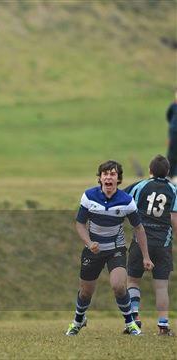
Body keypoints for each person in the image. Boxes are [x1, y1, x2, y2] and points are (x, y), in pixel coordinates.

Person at [65, 160, 154, 336]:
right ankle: (79, 320)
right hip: (93, 250)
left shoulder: (126, 201)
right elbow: (80, 223)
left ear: (118, 179)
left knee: (118, 286)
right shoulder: (89, 197)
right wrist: (90, 243)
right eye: (105, 174)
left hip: (116, 249)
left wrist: (146, 256)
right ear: (100, 178)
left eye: (112, 174)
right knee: (85, 292)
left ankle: (130, 324)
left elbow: (139, 228)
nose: (108, 177)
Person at [125, 155, 176, 336]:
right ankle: (163, 325)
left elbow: (124, 200)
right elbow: (174, 218)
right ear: (168, 172)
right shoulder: (173, 189)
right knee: (161, 286)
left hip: (140, 241)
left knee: (132, 281)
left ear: (150, 170)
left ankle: (134, 320)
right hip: (163, 243)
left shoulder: (140, 186)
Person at [166, 90, 177, 181]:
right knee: (171, 154)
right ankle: (170, 174)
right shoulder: (173, 106)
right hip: (173, 134)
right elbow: (168, 116)